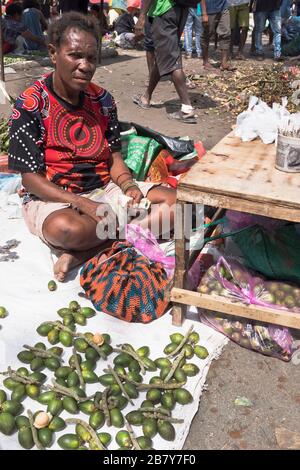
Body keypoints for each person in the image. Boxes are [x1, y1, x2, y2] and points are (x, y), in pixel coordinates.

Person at [8, 12, 176, 282]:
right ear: (53, 53)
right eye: (75, 55)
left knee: (183, 206)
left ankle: (90, 250)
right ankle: (125, 234)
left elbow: (114, 158)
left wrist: (128, 186)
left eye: (91, 58)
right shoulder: (31, 104)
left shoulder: (103, 100)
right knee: (66, 230)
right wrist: (80, 202)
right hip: (55, 198)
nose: (85, 66)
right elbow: (30, 178)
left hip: (103, 190)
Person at [133, 0, 197, 124]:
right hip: (181, 10)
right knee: (164, 55)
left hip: (164, 11)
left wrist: (141, 17)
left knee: (171, 59)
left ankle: (187, 109)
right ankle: (146, 97)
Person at [200, 0, 235, 71]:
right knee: (207, 34)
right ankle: (205, 61)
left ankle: (224, 63)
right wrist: (204, 13)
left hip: (224, 7)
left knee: (226, 33)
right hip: (209, 9)